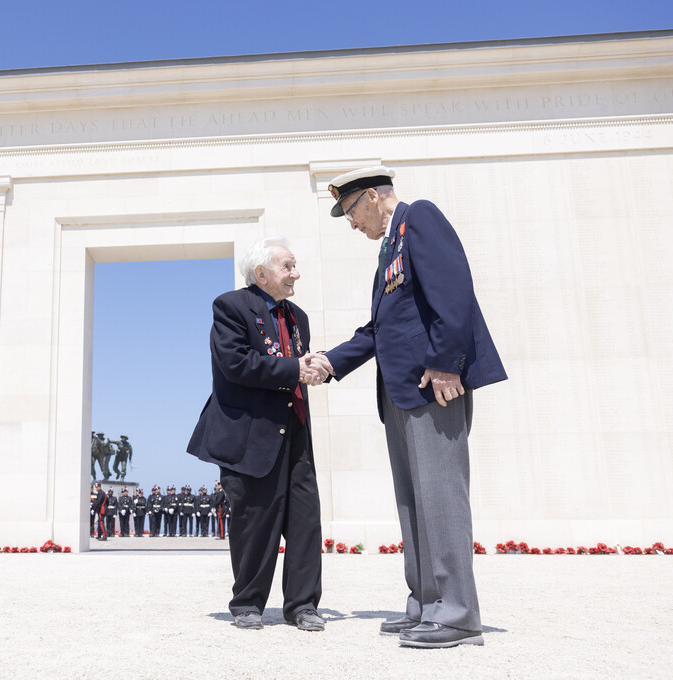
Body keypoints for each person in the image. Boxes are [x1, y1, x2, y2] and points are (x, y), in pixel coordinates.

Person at [317, 166, 507, 648]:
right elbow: (378, 330)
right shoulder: (389, 250)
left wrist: (446, 365)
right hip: (400, 392)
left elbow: (455, 291)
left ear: (373, 197)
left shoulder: (418, 218)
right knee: (414, 501)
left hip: (433, 387)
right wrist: (329, 363)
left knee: (442, 499)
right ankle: (426, 602)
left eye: (351, 212)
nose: (352, 224)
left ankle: (459, 615)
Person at [186, 236, 329, 632]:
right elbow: (235, 363)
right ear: (261, 273)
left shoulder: (297, 315)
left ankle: (303, 605)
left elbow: (296, 361)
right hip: (248, 435)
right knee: (254, 519)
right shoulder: (231, 307)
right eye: (287, 266)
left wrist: (315, 368)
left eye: (295, 265)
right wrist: (294, 369)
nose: (295, 273)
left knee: (305, 519)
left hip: (295, 430)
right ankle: (247, 603)